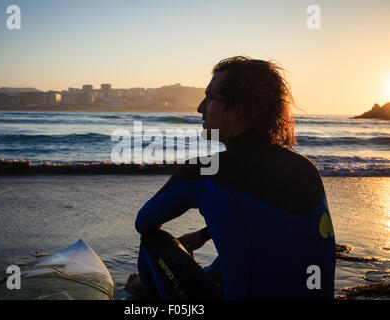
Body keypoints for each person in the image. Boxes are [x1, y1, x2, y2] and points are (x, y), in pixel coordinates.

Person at [125, 56, 336, 300]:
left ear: (240, 109)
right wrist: (204, 235)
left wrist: (180, 253)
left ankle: (146, 293)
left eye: (210, 97)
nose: (200, 107)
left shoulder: (207, 168)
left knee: (153, 239)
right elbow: (268, 223)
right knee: (252, 245)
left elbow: (144, 221)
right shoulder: (305, 168)